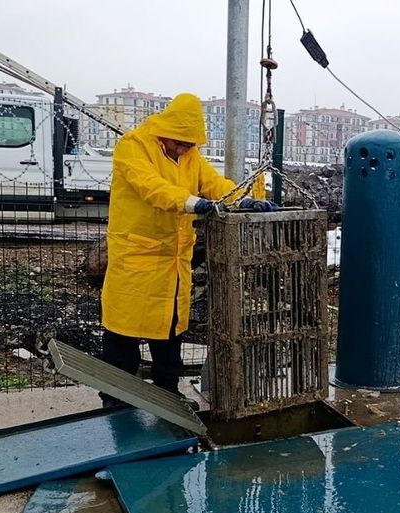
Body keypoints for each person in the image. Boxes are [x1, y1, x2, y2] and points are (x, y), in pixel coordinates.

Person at [99, 92, 275, 408]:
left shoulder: (189, 156)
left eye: (189, 145)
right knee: (122, 331)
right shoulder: (133, 147)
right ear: (165, 130)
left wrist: (242, 199)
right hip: (136, 258)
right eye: (180, 143)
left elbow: (214, 184)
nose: (184, 149)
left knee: (169, 331)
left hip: (173, 262)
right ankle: (115, 397)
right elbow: (152, 188)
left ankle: (168, 393)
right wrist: (193, 203)